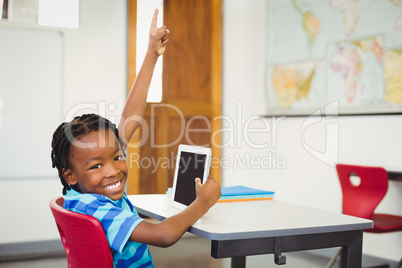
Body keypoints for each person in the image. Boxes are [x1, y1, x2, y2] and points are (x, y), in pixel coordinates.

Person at [50, 9, 221, 268]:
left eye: (117, 156)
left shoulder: (82, 197)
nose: (113, 171)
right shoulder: (100, 210)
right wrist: (202, 203)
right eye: (96, 166)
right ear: (70, 175)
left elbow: (131, 117)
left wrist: (152, 53)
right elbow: (164, 235)